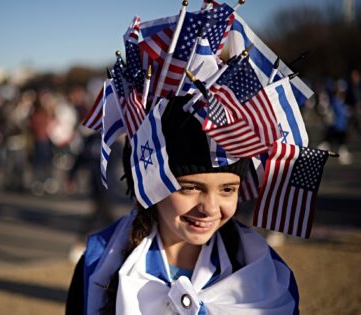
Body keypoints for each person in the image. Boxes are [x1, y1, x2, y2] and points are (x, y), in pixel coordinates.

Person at [66, 96, 299, 314]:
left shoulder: (266, 272)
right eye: (190, 188)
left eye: (227, 189)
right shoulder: (98, 264)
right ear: (152, 185)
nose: (210, 208)